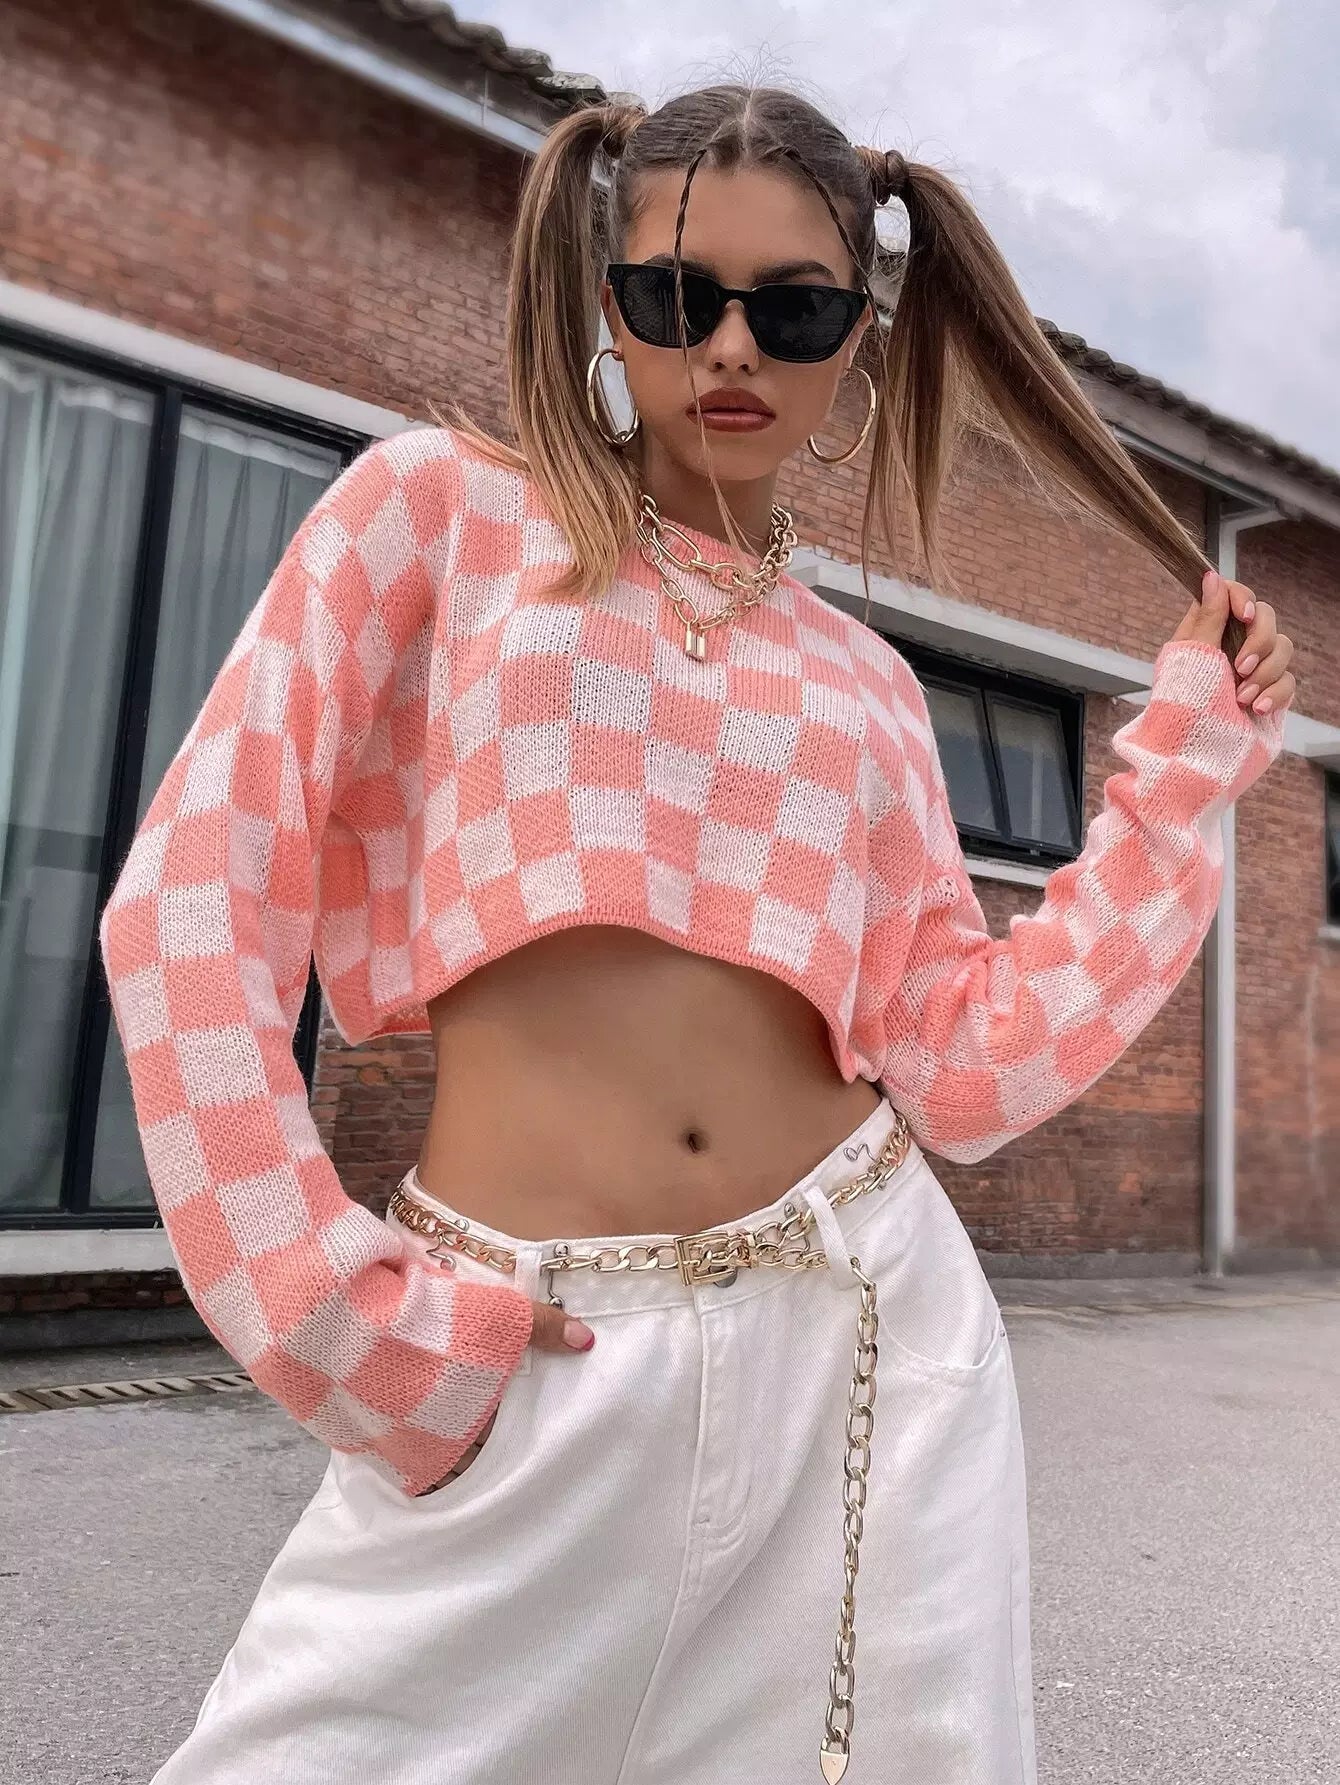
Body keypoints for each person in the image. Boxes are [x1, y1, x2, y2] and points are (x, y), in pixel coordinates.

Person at [100, 82, 1294, 1785]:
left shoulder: (868, 685)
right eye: (677, 296)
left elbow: (967, 1065)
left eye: (793, 309)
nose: (730, 345)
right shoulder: (435, 513)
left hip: (867, 1353)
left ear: (859, 335)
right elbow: (189, 901)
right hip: (523, 1352)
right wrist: (331, 1318)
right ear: (610, 307)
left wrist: (1185, 772)